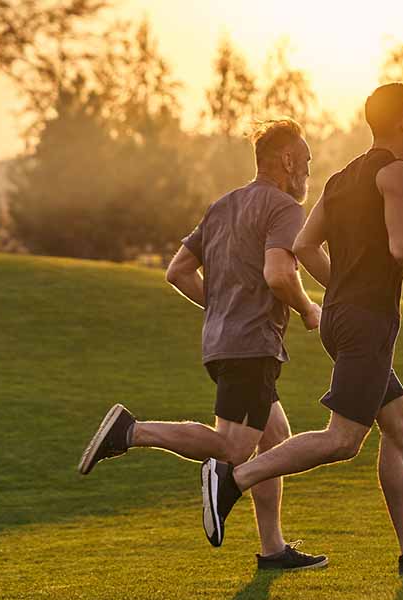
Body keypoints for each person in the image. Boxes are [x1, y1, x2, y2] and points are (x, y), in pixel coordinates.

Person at [200, 83, 403, 576]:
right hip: (365, 324)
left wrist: (340, 288)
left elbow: (302, 245)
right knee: (343, 440)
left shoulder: (341, 179)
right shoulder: (399, 173)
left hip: (342, 319)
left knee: (399, 423)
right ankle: (234, 479)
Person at [77, 119, 327, 571]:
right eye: (306, 162)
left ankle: (273, 549)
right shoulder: (284, 207)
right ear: (288, 160)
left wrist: (221, 309)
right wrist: (310, 310)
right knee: (232, 450)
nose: (308, 172)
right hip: (252, 345)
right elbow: (279, 274)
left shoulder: (222, 206)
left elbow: (178, 272)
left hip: (222, 341)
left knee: (275, 441)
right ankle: (131, 431)